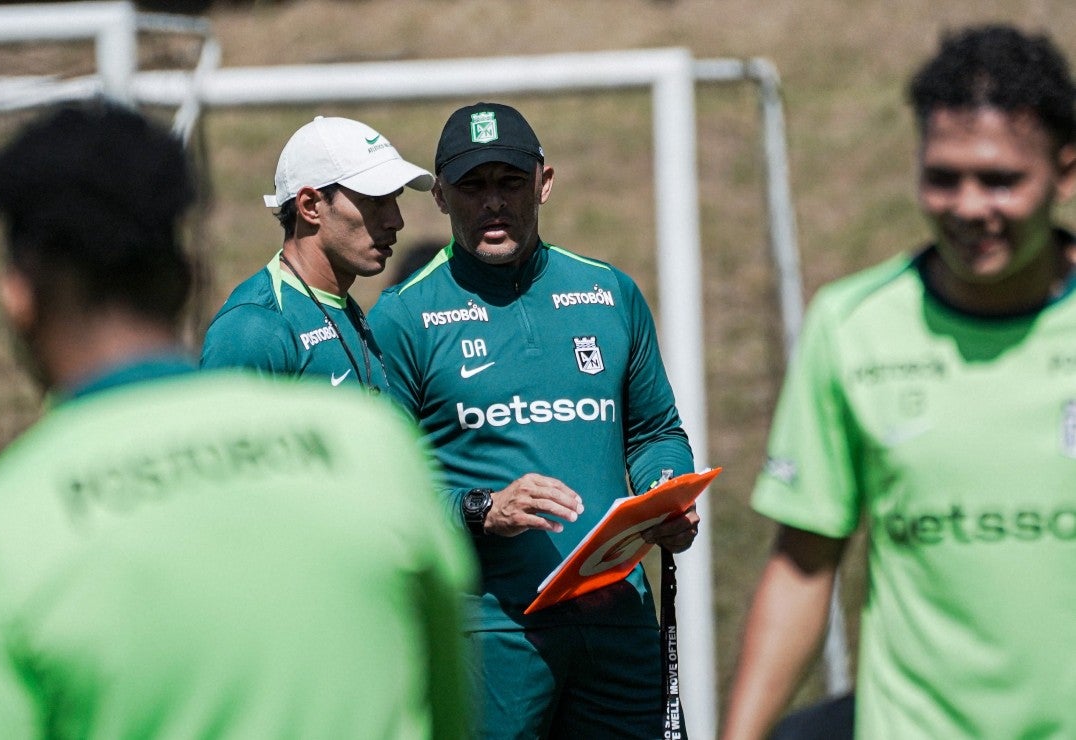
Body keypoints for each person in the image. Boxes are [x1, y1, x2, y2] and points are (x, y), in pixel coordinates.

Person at [0, 100, 476, 740]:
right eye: (375, 200)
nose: (395, 217)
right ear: (187, 278)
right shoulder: (375, 450)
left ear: (15, 297)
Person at [721, 25, 1076, 739]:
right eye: (943, 176)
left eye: (1002, 179)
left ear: (1066, 174)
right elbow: (802, 563)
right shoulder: (851, 327)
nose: (970, 206)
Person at [367, 101, 701, 738]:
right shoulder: (402, 318)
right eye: (473, 186)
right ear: (440, 196)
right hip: (490, 629)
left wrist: (665, 490)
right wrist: (482, 509)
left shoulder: (610, 294)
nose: (493, 202)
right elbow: (381, 493)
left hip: (619, 618)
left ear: (544, 182)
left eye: (510, 182)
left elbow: (656, 433)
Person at [200, 115, 433, 393]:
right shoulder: (253, 329)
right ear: (310, 206)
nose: (396, 220)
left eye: (396, 198)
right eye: (374, 200)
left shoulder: (342, 308)